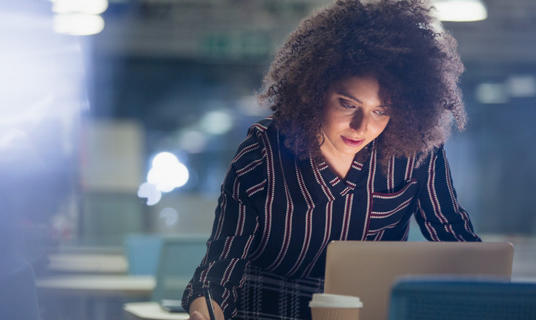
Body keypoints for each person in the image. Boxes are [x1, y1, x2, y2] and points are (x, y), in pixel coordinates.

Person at [182, 0, 481, 319]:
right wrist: (206, 308)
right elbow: (219, 271)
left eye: (381, 111)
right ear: (313, 91)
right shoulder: (262, 156)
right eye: (347, 104)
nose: (362, 126)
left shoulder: (417, 154)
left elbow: (458, 244)